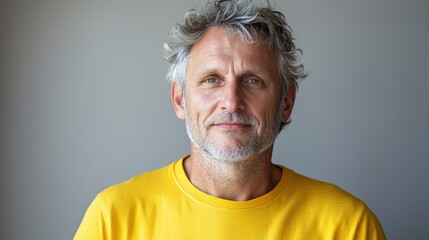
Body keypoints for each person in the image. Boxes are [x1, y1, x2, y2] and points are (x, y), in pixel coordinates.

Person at [74, 0, 386, 239]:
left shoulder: (346, 225)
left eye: (253, 81)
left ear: (286, 102)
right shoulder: (113, 217)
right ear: (180, 99)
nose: (231, 101)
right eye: (211, 79)